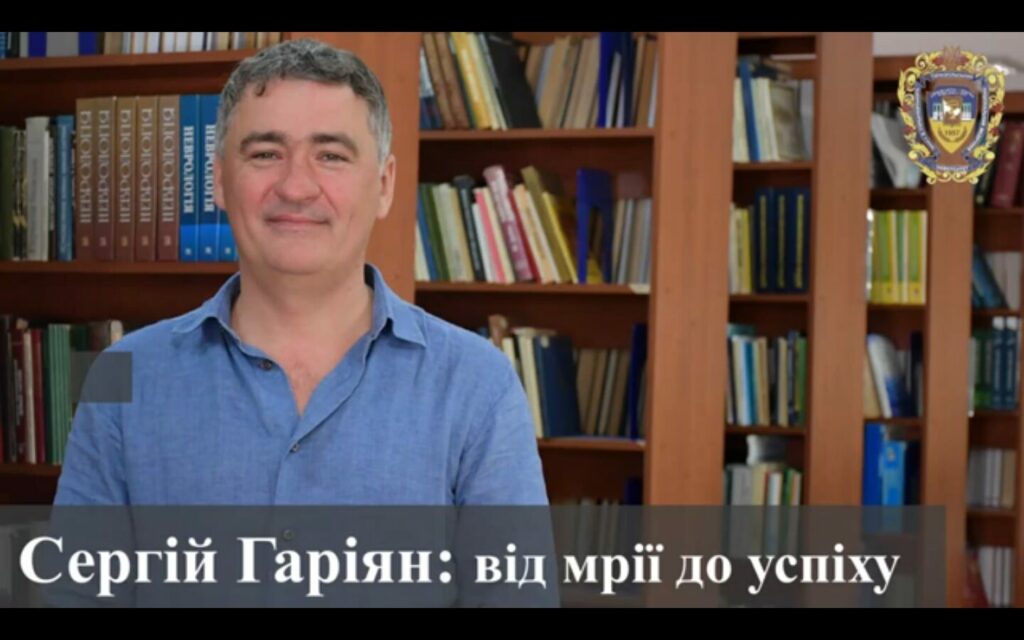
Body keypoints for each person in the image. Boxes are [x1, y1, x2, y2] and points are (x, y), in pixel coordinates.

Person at [53, 38, 549, 508]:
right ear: (220, 180)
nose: (295, 187)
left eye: (331, 156)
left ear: (383, 185)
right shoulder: (119, 376)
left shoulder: (480, 385)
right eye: (266, 154)